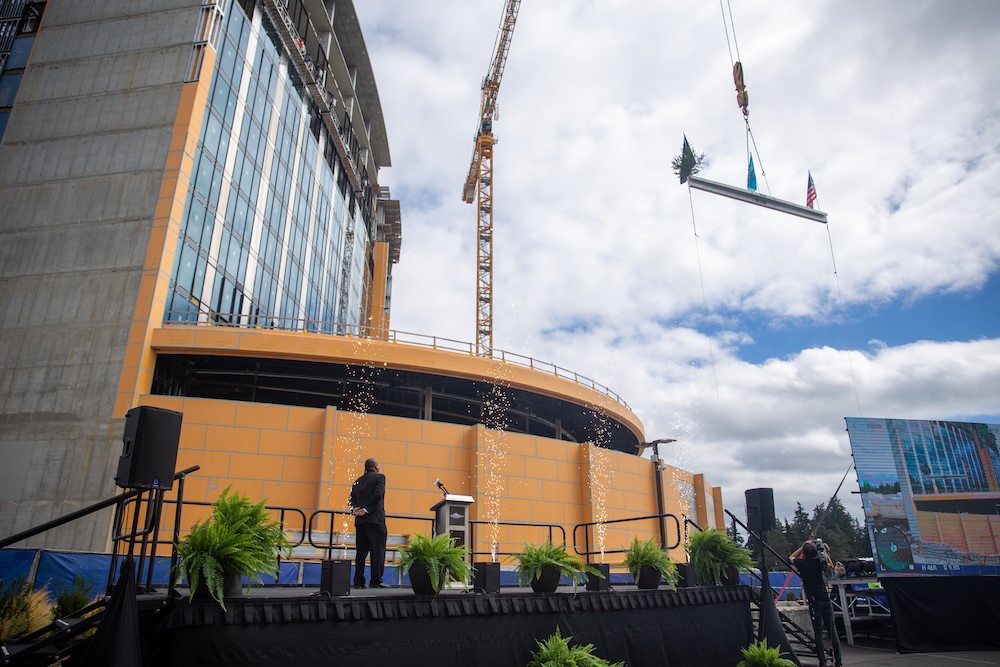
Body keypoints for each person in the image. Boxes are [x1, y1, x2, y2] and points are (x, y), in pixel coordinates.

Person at [791, 538, 843, 667]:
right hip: (825, 598)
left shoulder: (802, 563)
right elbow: (830, 565)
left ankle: (823, 662)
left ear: (804, 553)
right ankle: (839, 661)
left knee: (818, 633)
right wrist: (826, 551)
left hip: (814, 601)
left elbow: (791, 557)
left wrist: (802, 546)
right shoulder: (819, 562)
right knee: (832, 631)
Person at [349, 458, 387, 588]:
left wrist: (355, 510)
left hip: (360, 521)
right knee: (377, 551)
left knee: (361, 552)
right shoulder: (380, 478)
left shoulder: (357, 481)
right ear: (375, 466)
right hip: (375, 520)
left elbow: (351, 499)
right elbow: (378, 495)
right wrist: (366, 509)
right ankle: (376, 580)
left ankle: (358, 581)